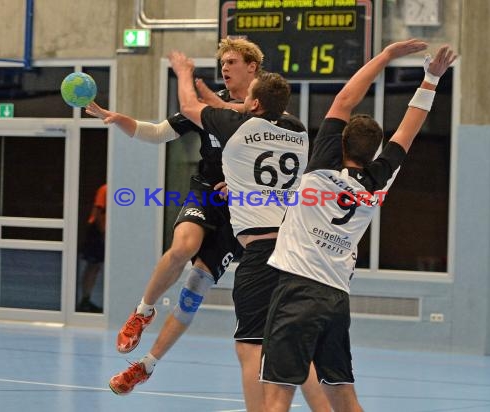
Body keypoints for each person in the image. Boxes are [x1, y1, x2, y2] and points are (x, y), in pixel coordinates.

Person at [258, 41, 456, 411]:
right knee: (344, 398)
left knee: (276, 397)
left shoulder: (320, 174)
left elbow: (344, 100)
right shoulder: (377, 184)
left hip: (296, 292)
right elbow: (407, 132)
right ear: (376, 153)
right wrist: (431, 78)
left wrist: (384, 56)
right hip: (336, 300)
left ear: (340, 142)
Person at [85, 38, 262, 395]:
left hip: (240, 211)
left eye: (231, 61)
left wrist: (246, 182)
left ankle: (145, 366)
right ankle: (143, 311)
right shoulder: (209, 111)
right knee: (183, 247)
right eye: (222, 62)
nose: (224, 67)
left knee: (195, 286)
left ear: (252, 67)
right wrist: (121, 120)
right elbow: (158, 133)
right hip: (206, 192)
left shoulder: (266, 113)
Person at [169, 51, 330, 412]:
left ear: (252, 103)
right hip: (299, 254)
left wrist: (182, 71)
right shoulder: (298, 131)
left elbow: (188, 105)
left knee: (250, 347)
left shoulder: (237, 128)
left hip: (262, 256)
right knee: (294, 348)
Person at [77, 183, 107, 313]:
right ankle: (85, 299)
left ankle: (86, 299)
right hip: (96, 231)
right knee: (92, 265)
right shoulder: (104, 189)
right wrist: (102, 232)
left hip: (102, 231)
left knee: (95, 266)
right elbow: (98, 212)